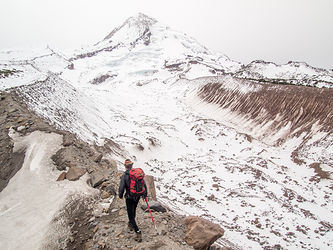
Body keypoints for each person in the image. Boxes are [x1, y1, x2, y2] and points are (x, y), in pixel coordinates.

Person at [118, 159, 147, 242]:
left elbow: (121, 187)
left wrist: (120, 195)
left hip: (129, 197)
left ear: (125, 166)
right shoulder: (137, 174)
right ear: (132, 165)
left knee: (130, 215)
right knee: (133, 210)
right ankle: (131, 224)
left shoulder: (125, 175)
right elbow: (144, 184)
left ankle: (138, 232)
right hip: (137, 196)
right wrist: (145, 194)